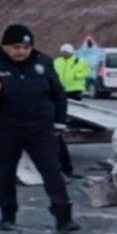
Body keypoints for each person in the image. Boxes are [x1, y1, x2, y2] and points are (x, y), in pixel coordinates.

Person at [0, 24, 78, 234]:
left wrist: (59, 123)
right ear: (4, 46)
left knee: (52, 172)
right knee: (4, 173)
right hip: (5, 128)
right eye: (15, 47)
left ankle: (64, 217)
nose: (21, 52)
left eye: (26, 47)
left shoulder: (44, 62)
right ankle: (7, 216)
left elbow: (59, 95)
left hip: (40, 129)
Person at [52, 43, 90, 178]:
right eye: (63, 52)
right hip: (61, 90)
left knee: (74, 111)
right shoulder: (57, 61)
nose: (65, 54)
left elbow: (85, 71)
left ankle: (70, 123)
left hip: (75, 89)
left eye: (67, 52)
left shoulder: (79, 61)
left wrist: (76, 75)